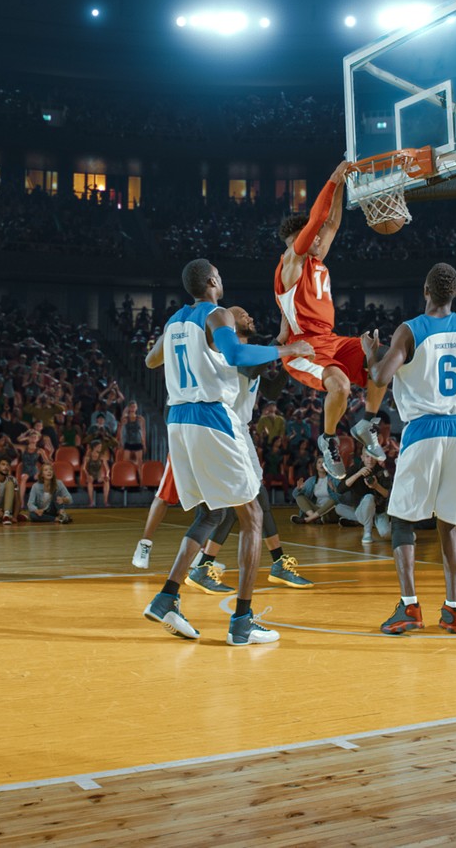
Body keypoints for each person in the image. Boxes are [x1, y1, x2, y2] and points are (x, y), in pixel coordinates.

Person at [140, 259, 312, 646]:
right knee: (251, 517)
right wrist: (288, 348)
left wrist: (191, 351)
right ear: (213, 281)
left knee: (212, 512)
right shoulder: (216, 313)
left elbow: (151, 360)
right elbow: (235, 356)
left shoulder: (173, 322)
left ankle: (167, 596)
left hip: (178, 419)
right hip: (210, 417)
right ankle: (242, 622)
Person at [367, 263, 456, 635]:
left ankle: (410, 607)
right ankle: (454, 610)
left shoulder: (411, 329)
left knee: (402, 519)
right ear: (454, 293)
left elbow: (380, 377)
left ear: (426, 290)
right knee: (449, 523)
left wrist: (371, 354)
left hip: (424, 429)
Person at [273, 159, 387, 479]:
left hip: (331, 339)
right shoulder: (291, 263)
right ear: (303, 240)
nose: (323, 237)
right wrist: (334, 178)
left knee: (380, 354)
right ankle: (328, 439)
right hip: (304, 349)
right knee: (338, 384)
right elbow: (319, 219)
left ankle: (367, 421)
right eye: (315, 236)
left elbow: (332, 222)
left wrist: (343, 186)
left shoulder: (316, 259)